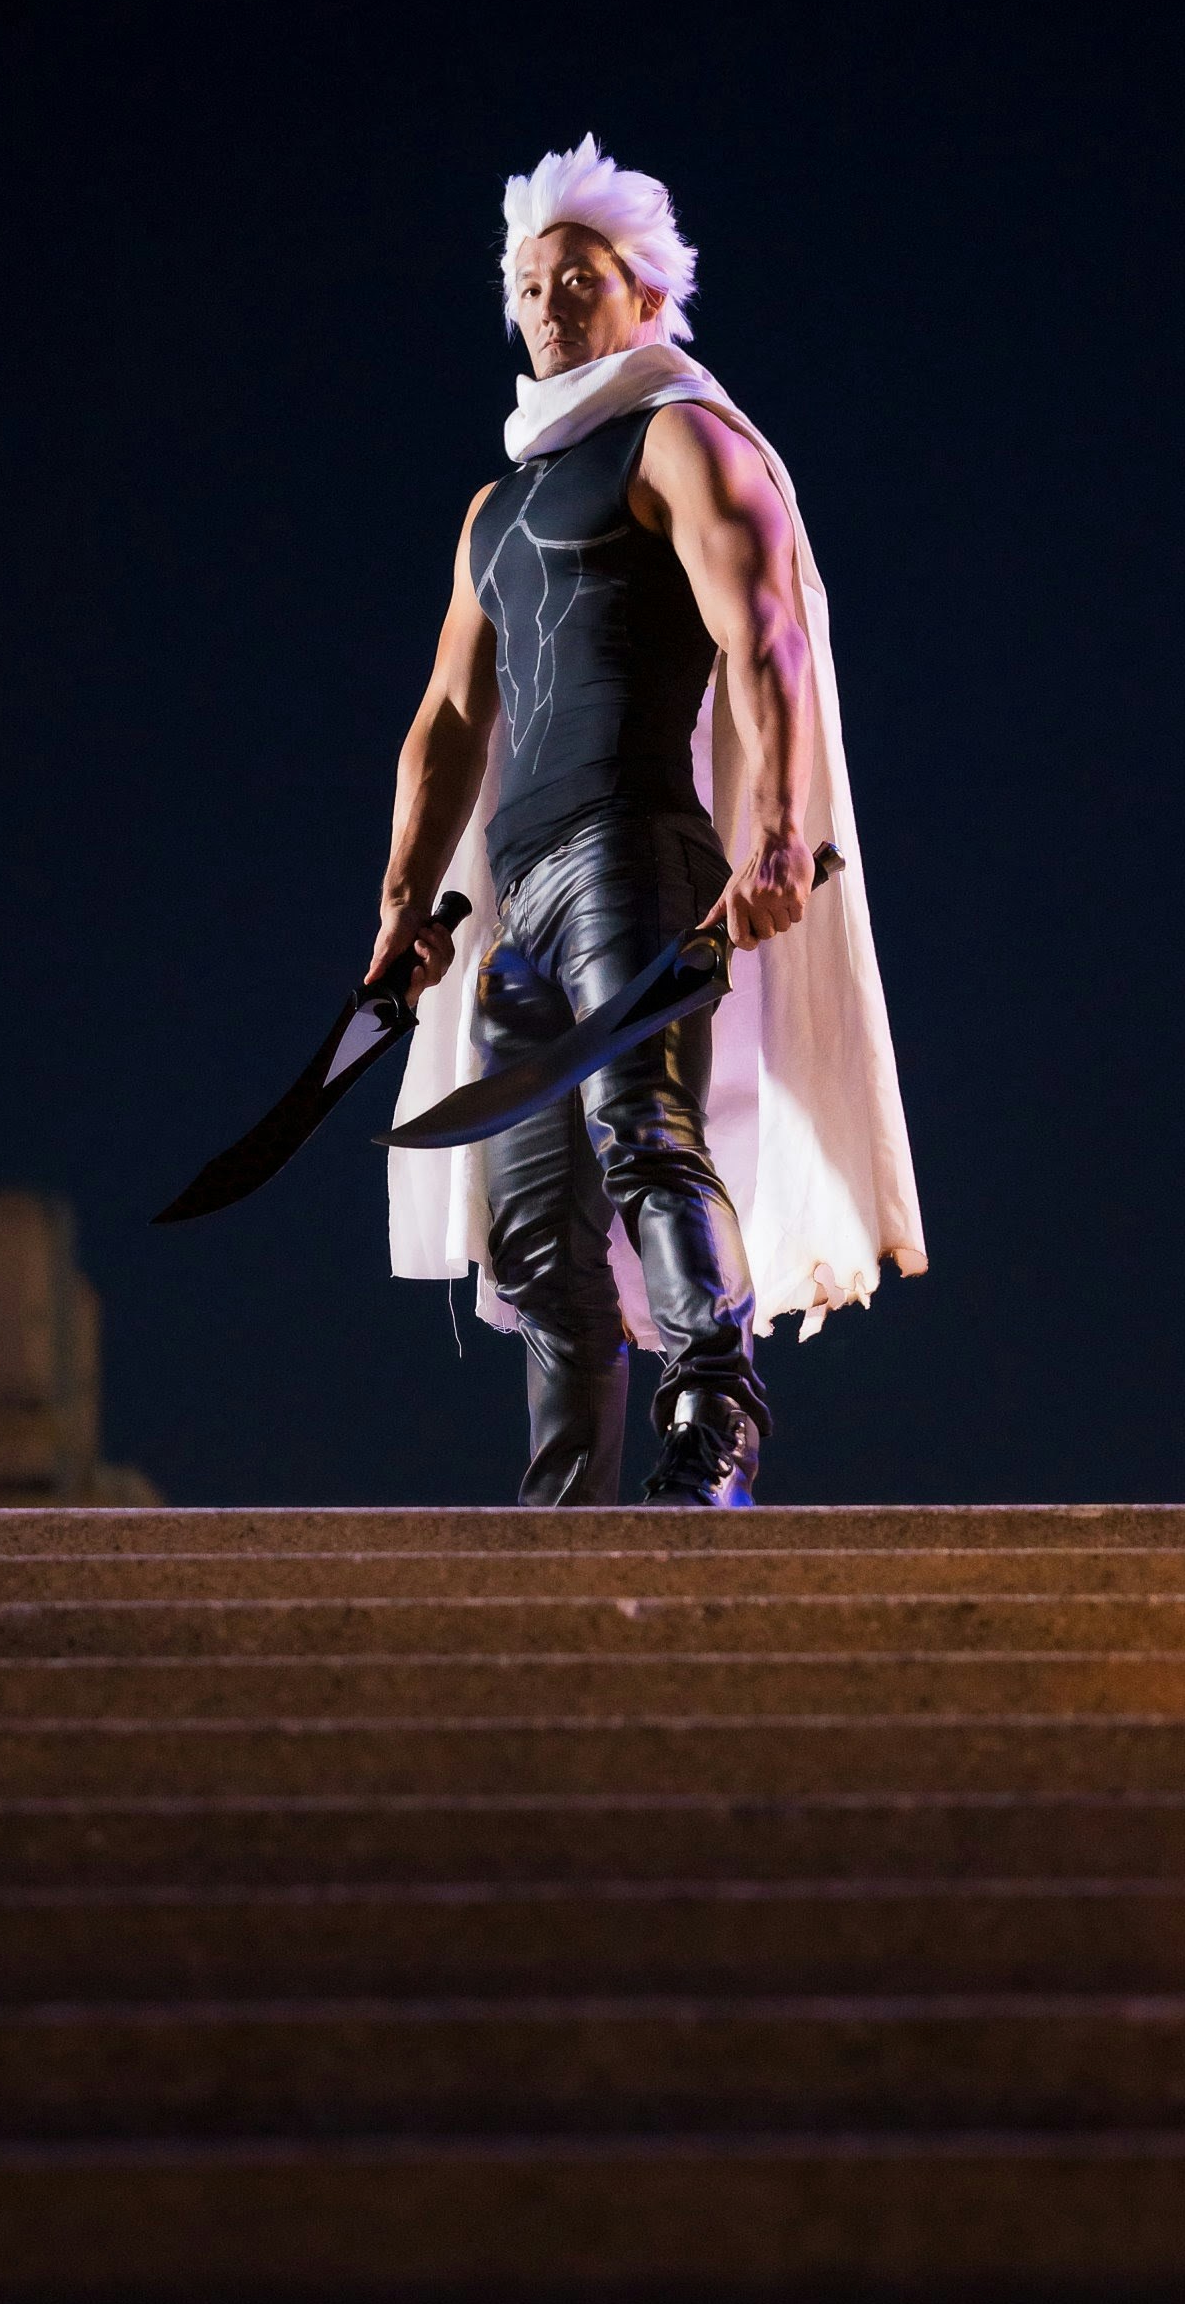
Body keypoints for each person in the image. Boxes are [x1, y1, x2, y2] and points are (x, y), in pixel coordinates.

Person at [373, 139, 924, 1507]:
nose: (551, 303)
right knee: (535, 1232)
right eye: (530, 283)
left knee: (644, 1127)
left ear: (644, 295)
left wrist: (782, 828)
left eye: (580, 278)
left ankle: (715, 1426)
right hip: (518, 896)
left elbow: (770, 633)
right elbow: (447, 718)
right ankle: (566, 1514)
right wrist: (400, 906)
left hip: (637, 849)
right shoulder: (492, 511)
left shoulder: (678, 434)